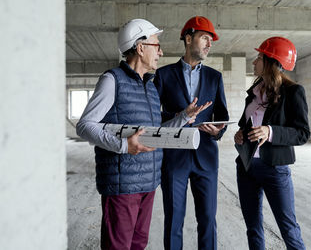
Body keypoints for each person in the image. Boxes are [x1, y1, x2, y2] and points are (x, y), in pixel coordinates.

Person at [76, 18, 211, 250]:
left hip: (148, 183)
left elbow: (154, 134)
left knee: (139, 245)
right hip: (122, 185)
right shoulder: (112, 81)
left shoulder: (149, 86)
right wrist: (123, 145)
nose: (161, 51)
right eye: (156, 45)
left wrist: (183, 118)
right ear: (140, 48)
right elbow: (85, 125)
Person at [153, 16, 229, 250]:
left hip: (205, 157)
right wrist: (180, 116)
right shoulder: (163, 75)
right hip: (174, 159)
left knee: (207, 220)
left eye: (211, 40)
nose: (209, 44)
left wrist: (217, 131)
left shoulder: (215, 77)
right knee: (174, 220)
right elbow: (153, 117)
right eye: (204, 38)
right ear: (188, 39)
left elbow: (221, 117)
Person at [234, 37, 310, 250]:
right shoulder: (254, 93)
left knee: (288, 229)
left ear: (271, 61)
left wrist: (271, 132)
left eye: (258, 57)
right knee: (253, 227)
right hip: (247, 167)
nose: (254, 62)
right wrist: (239, 135)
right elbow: (244, 123)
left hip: (274, 168)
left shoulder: (294, 92)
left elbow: (302, 133)